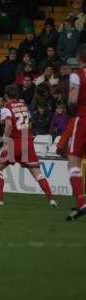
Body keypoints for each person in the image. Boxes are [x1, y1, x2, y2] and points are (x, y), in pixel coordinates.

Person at [0, 84, 56, 207]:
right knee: (37, 173)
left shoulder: (7, 107)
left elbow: (9, 125)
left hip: (14, 142)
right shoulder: (24, 106)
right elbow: (23, 121)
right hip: (27, 142)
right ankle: (51, 200)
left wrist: (6, 141)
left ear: (6, 95)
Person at [64, 44, 86, 221]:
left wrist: (72, 110)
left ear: (79, 58)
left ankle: (81, 202)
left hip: (83, 119)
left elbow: (72, 99)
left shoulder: (77, 75)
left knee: (73, 163)